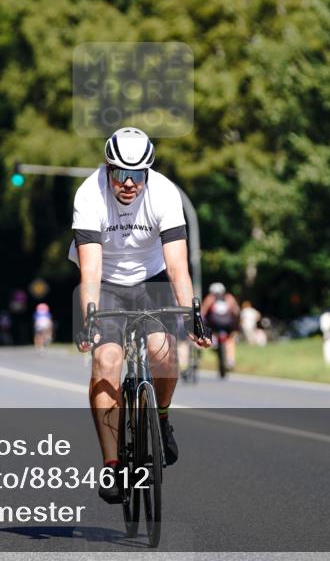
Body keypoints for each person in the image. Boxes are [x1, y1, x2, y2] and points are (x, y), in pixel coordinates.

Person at [70, 126, 209, 505]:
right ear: (107, 167)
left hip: (152, 278)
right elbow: (91, 273)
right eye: (120, 173)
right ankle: (112, 464)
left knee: (165, 354)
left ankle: (161, 419)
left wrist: (193, 314)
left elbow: (178, 265)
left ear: (148, 171)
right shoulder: (89, 195)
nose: (129, 183)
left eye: (137, 175)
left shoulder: (164, 192)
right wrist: (90, 321)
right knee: (107, 359)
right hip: (109, 282)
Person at [201, 282, 240, 369]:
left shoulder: (210, 298)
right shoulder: (229, 297)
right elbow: (236, 311)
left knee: (210, 330)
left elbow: (203, 311)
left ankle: (213, 342)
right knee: (230, 339)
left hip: (214, 324)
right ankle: (231, 360)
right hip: (228, 324)